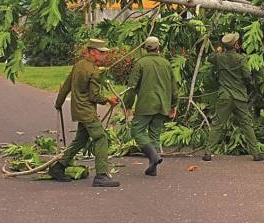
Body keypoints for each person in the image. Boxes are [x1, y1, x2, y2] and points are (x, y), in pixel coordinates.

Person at [48, 38, 120, 187]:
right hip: (87, 111)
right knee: (101, 138)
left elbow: (66, 86)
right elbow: (94, 96)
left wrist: (58, 103)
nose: (105, 56)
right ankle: (101, 175)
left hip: (77, 109)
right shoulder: (93, 71)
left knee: (81, 140)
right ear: (93, 52)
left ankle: (58, 167)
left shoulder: (79, 65)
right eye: (102, 53)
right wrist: (108, 100)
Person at [202, 32, 264, 162]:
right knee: (246, 124)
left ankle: (208, 152)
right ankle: (256, 153)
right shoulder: (240, 59)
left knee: (218, 124)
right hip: (239, 96)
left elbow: (210, 58)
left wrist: (218, 51)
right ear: (235, 45)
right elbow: (247, 77)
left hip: (224, 95)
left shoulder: (219, 58)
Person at [124, 36, 178, 176]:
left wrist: (127, 105)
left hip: (146, 104)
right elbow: (174, 87)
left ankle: (153, 156)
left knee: (137, 131)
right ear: (158, 47)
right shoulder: (166, 63)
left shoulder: (141, 63)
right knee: (155, 134)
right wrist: (173, 105)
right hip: (163, 105)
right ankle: (153, 167)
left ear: (145, 49)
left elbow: (131, 87)